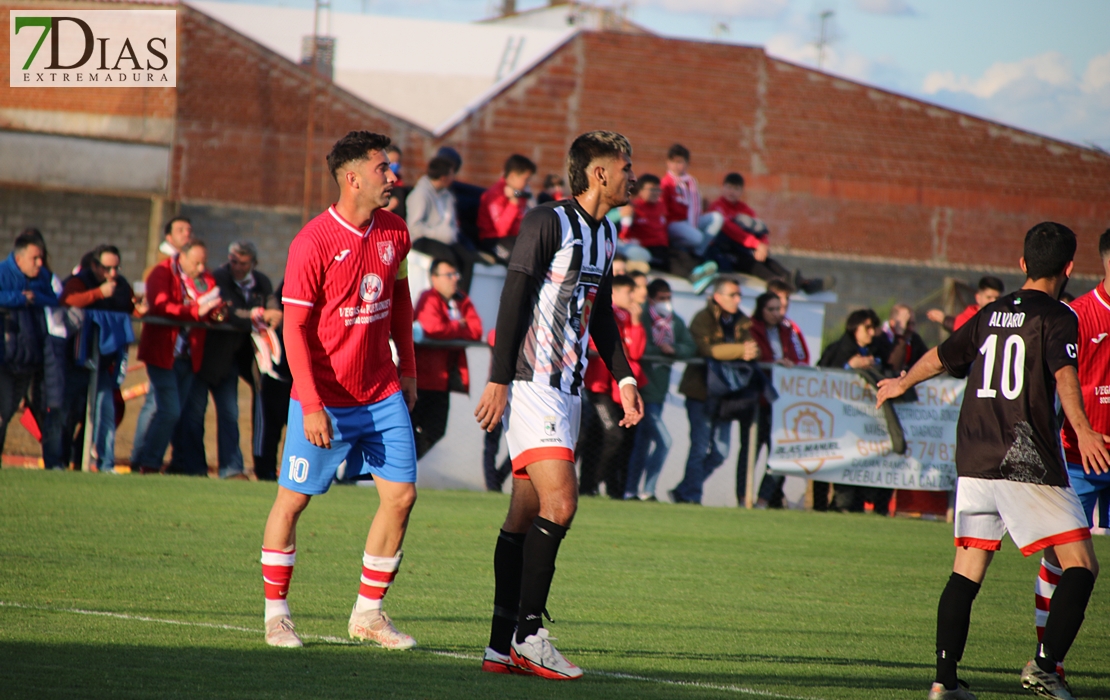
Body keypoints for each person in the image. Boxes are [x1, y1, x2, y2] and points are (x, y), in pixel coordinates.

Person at [875, 221, 1108, 700]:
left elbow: (941, 356)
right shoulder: (1060, 316)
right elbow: (1066, 378)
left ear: (1022, 264)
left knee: (966, 570)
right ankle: (1044, 666)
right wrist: (1084, 430)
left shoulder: (988, 313)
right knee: (1082, 566)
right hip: (1028, 461)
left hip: (975, 461)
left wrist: (901, 383)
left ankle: (945, 680)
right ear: (1068, 268)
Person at [474, 130, 643, 679]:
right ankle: (529, 634)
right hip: (532, 384)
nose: (631, 176)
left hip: (568, 390)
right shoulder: (548, 221)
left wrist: (623, 378)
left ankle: (501, 645)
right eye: (625, 167)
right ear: (598, 173)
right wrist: (499, 379)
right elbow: (514, 295)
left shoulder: (607, 234)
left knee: (524, 514)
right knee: (562, 505)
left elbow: (600, 315)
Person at [260, 131, 419, 651]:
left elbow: (400, 302)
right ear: (352, 178)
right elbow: (294, 332)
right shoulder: (312, 242)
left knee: (401, 497)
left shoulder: (396, 232)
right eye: (382, 169)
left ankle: (368, 615)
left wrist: (409, 370)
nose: (391, 177)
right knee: (292, 503)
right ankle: (276, 615)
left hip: (382, 393)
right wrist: (309, 404)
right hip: (325, 399)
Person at [1035, 229, 1110, 661]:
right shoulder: (1077, 316)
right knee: (1061, 559)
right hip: (1079, 459)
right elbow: (1053, 384)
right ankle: (1049, 660)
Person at [179, 241, 282, 479]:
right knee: (195, 414)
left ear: (253, 264)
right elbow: (230, 313)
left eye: (243, 263)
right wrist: (259, 315)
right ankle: (193, 468)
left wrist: (272, 315)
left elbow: (272, 307)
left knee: (230, 414)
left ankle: (231, 468)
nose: (236, 266)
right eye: (233, 261)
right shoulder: (218, 277)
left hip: (232, 360)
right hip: (207, 357)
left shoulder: (261, 281)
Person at [131, 240, 221, 475]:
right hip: (163, 353)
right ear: (182, 257)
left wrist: (217, 312)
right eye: (196, 262)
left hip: (189, 356)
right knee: (168, 410)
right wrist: (193, 312)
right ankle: (147, 463)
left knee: (173, 413)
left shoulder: (204, 277)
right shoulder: (161, 273)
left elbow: (209, 302)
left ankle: (155, 462)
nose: (201, 268)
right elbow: (160, 306)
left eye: (204, 262)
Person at [671, 276, 760, 505]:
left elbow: (753, 348)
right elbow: (706, 349)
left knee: (720, 452)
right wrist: (739, 350)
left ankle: (683, 489)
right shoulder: (703, 318)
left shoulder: (742, 320)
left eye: (739, 294)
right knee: (700, 448)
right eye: (733, 295)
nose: (738, 299)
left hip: (727, 396)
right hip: (701, 391)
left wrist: (745, 350)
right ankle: (691, 497)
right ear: (718, 297)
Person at [60, 244, 136, 473]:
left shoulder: (121, 286)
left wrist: (140, 308)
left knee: (106, 413)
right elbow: (68, 300)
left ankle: (105, 464)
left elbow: (129, 307)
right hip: (75, 361)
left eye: (116, 268)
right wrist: (98, 294)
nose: (112, 274)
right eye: (106, 268)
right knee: (66, 414)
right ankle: (59, 462)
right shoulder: (79, 281)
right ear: (94, 266)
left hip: (103, 362)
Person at [625, 278, 695, 500]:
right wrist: (659, 349)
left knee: (642, 444)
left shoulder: (675, 322)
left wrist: (673, 349)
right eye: (661, 298)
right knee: (664, 441)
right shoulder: (642, 317)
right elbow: (638, 345)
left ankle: (631, 491)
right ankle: (647, 490)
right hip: (643, 390)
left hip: (659, 391)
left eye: (668, 298)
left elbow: (691, 347)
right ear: (651, 299)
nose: (666, 302)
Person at [707, 172, 830, 294]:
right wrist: (756, 244)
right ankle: (781, 283)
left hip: (745, 249)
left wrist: (763, 246)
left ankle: (804, 283)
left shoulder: (745, 209)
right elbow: (731, 230)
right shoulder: (717, 207)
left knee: (768, 261)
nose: (731, 192)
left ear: (741, 191)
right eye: (729, 187)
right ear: (722, 187)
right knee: (753, 264)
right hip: (725, 252)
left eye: (736, 188)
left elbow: (760, 230)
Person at [580, 275, 646, 499]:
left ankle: (592, 486)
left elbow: (635, 352)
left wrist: (636, 324)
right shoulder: (603, 315)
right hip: (597, 386)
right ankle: (587, 485)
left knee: (611, 439)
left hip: (617, 389)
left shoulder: (628, 317)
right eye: (629, 292)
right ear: (614, 293)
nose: (633, 296)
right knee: (608, 436)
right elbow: (595, 343)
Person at [412, 258, 482, 458]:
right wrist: (458, 326)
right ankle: (391, 469)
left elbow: (476, 331)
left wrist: (451, 330)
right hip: (418, 380)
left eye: (456, 275)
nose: (454, 280)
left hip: (442, 383)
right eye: (448, 275)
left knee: (436, 431)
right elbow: (433, 328)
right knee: (405, 429)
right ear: (434, 278)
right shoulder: (428, 298)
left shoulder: (461, 300)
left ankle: (402, 468)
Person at [0, 231, 59, 460]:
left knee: (9, 412)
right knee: (2, 414)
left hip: (28, 360)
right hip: (5, 359)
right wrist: (19, 298)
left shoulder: (41, 277)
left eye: (41, 257)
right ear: (19, 258)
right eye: (35, 258)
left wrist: (32, 296)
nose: (40, 263)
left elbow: (53, 299)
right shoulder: (3, 273)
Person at [748, 291, 809, 508]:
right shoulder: (751, 328)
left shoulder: (787, 330)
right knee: (750, 453)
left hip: (783, 404)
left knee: (782, 453)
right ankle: (742, 498)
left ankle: (763, 499)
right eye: (771, 309)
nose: (777, 313)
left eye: (779, 309)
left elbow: (801, 357)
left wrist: (789, 363)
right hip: (759, 400)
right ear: (761, 310)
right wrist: (774, 362)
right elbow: (754, 357)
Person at [815, 309, 879, 512]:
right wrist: (848, 366)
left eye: (873, 328)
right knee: (825, 461)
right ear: (854, 328)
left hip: (860, 420)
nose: (871, 332)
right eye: (866, 327)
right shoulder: (838, 349)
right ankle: (820, 504)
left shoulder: (876, 351)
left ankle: (847, 504)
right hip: (833, 419)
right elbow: (821, 375)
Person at [408, 157, 482, 293]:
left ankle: (461, 296)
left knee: (468, 258)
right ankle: (444, 293)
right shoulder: (420, 194)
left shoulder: (448, 195)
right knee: (448, 258)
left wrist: (450, 233)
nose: (454, 178)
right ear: (443, 177)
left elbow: (451, 222)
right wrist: (441, 234)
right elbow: (414, 227)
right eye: (451, 174)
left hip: (445, 239)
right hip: (423, 239)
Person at [660, 144, 721, 258]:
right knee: (697, 237)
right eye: (674, 162)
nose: (677, 166)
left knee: (717, 218)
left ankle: (698, 253)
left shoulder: (691, 181)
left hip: (691, 221)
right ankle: (675, 245)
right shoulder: (666, 183)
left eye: (680, 162)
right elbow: (663, 209)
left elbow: (695, 206)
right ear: (668, 163)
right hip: (674, 223)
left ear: (687, 164)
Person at [477, 154, 536, 264]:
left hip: (514, 238)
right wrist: (513, 202)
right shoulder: (495, 195)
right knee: (518, 260)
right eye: (526, 179)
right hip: (493, 240)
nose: (528, 183)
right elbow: (501, 230)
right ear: (513, 176)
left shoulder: (522, 193)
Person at [618, 174, 669, 269]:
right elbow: (623, 234)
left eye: (658, 190)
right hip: (644, 249)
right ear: (640, 190)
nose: (656, 193)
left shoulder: (661, 206)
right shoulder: (633, 207)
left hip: (663, 250)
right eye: (652, 190)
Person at [927, 276, 1005, 332]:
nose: (993, 301)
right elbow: (961, 327)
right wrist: (943, 319)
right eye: (989, 297)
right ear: (978, 298)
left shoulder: (1005, 317)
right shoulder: (969, 316)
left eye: (997, 298)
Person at [872, 304, 930, 376]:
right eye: (907, 324)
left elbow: (928, 360)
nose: (911, 328)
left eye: (913, 324)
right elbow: (893, 367)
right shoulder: (879, 337)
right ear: (893, 323)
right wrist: (900, 335)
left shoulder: (914, 338)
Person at [144, 216, 192, 280]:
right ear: (169, 237)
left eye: (189, 230)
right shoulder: (157, 269)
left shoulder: (199, 266)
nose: (187, 234)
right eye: (180, 230)